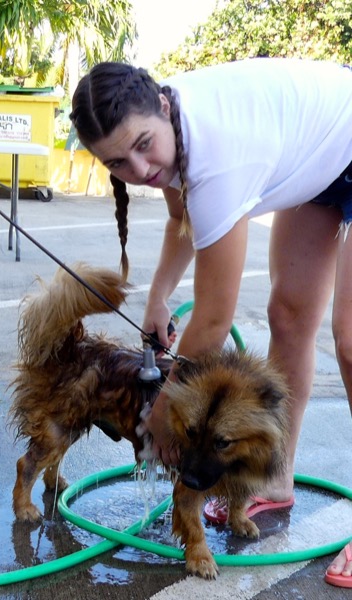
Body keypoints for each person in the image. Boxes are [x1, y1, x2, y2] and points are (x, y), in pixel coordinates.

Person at [69, 58, 352, 588]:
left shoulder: (217, 158)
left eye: (142, 145)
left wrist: (159, 413)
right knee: (287, 317)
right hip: (322, 165)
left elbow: (214, 321)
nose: (139, 168)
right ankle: (276, 476)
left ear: (161, 104)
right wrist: (157, 298)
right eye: (118, 162)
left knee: (351, 337)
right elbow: (181, 218)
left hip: (346, 131)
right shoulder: (171, 136)